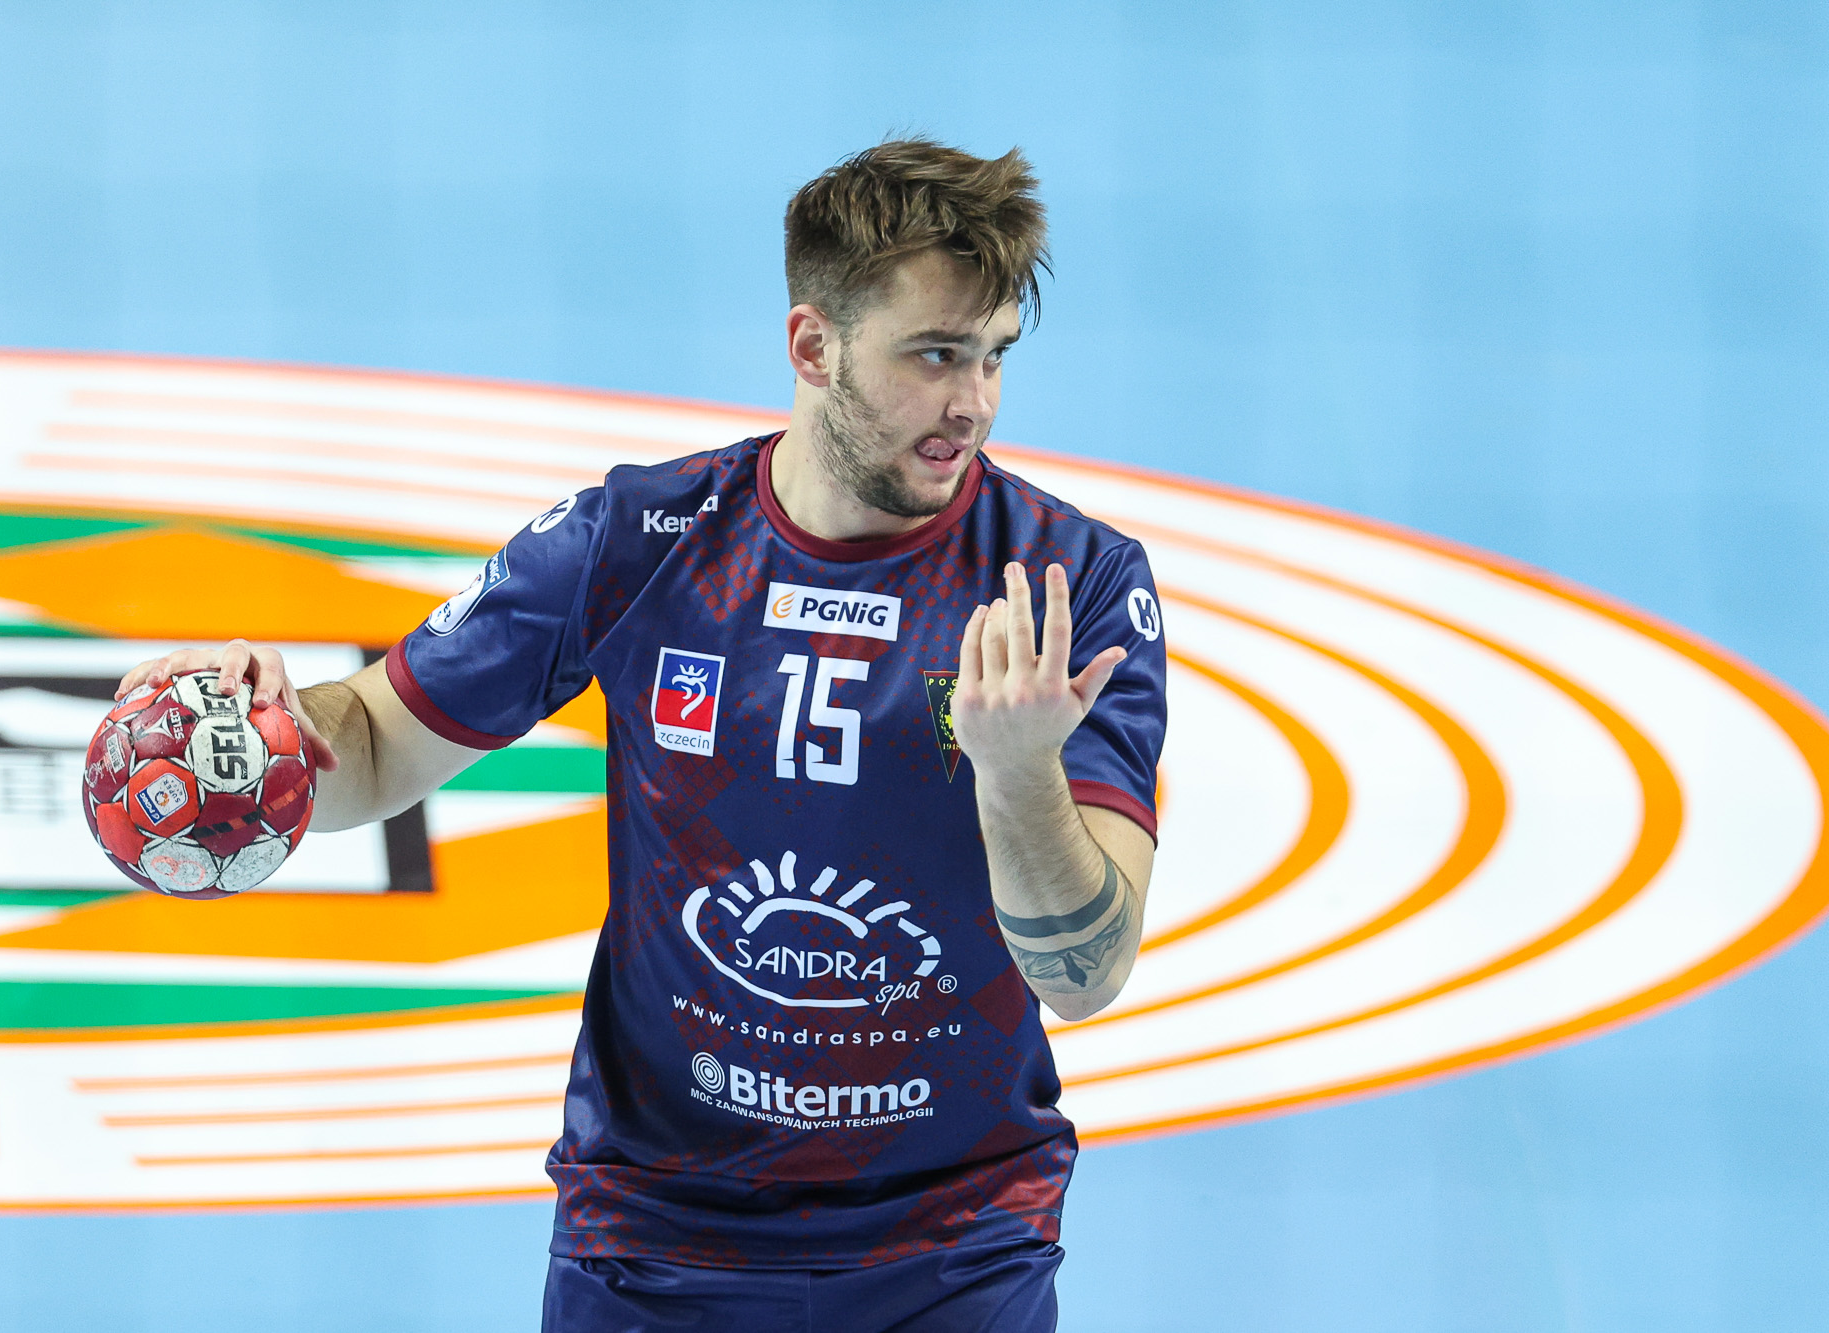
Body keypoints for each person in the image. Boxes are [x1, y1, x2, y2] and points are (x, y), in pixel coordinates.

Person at [119, 139, 1167, 1332]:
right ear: (812, 347)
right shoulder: (637, 543)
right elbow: (368, 745)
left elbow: (1084, 975)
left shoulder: (1067, 586)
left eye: (992, 356)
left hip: (954, 1243)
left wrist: (1017, 772)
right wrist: (261, 730)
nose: (970, 402)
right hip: (657, 1236)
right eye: (932, 354)